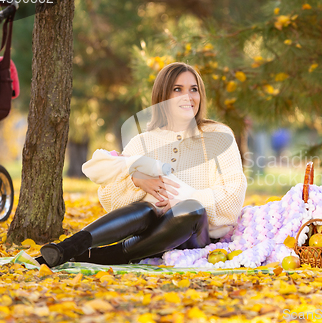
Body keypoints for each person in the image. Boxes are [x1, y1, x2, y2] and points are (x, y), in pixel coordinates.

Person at [37, 62, 247, 267]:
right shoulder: (142, 141)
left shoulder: (218, 135)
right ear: (163, 96)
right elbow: (110, 199)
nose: (188, 97)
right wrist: (135, 180)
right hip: (150, 234)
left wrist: (181, 199)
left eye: (194, 89)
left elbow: (232, 199)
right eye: (177, 89)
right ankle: (69, 247)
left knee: (190, 209)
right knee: (145, 209)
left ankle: (112, 255)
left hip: (195, 237)